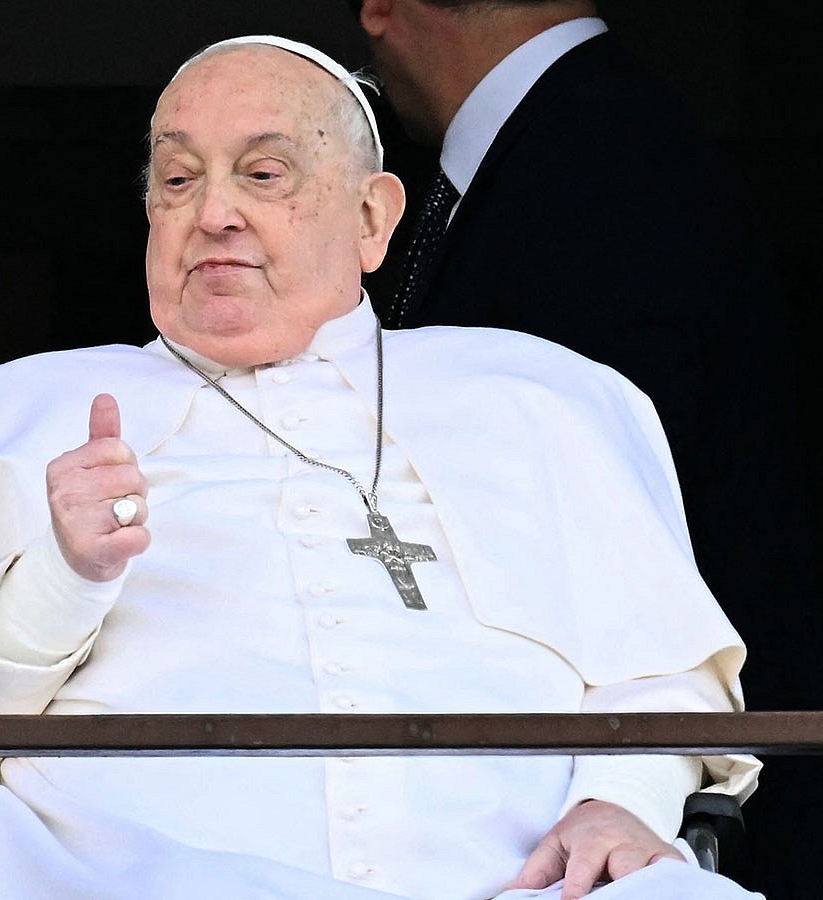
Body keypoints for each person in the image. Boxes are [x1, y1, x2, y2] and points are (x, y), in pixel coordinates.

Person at [0, 34, 764, 900]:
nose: (213, 213)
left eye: (264, 175)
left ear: (375, 217)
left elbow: (666, 679)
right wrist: (55, 579)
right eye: (177, 180)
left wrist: (620, 802)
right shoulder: (3, 415)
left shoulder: (540, 399)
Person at [345, 2, 819, 890]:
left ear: (379, 11)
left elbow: (612, 501)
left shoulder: (601, 164)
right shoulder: (605, 137)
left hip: (669, 783)